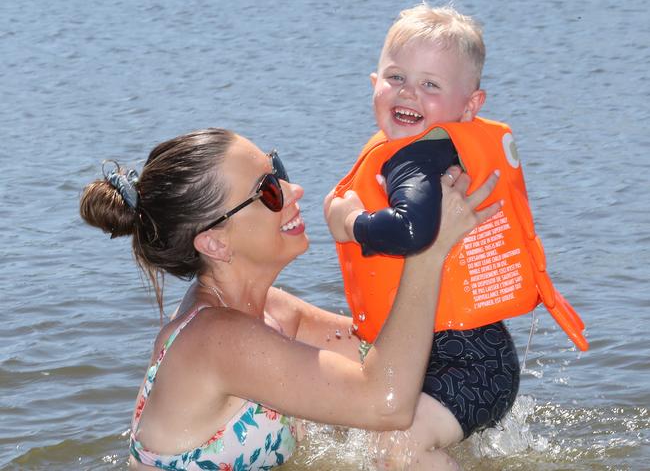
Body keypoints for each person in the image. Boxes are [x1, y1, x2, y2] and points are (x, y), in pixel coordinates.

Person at [79, 127, 500, 470]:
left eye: (277, 171)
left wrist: (394, 218)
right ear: (215, 243)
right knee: (400, 443)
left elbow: (397, 355)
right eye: (268, 191)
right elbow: (386, 402)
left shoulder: (270, 312)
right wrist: (426, 252)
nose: (294, 190)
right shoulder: (214, 340)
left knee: (402, 445)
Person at [324, 3, 523, 469]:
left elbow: (412, 231)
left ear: (469, 106)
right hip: (450, 355)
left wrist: (349, 224)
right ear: (373, 84)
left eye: (430, 85)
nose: (408, 93)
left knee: (398, 445)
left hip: (473, 366)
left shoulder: (420, 158)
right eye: (396, 77)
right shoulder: (414, 151)